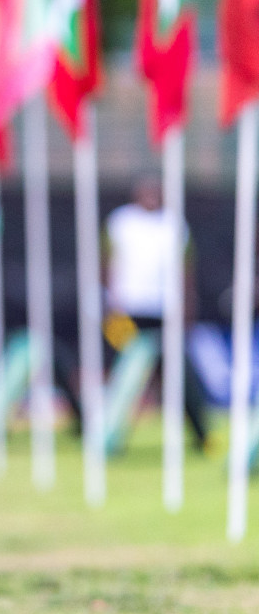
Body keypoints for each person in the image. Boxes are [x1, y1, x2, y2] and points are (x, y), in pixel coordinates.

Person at [103, 174, 208, 450]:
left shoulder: (174, 225)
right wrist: (109, 305)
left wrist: (187, 308)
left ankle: (202, 434)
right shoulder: (120, 222)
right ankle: (109, 435)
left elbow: (186, 270)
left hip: (164, 311)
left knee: (177, 371)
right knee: (124, 371)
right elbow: (107, 264)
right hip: (126, 311)